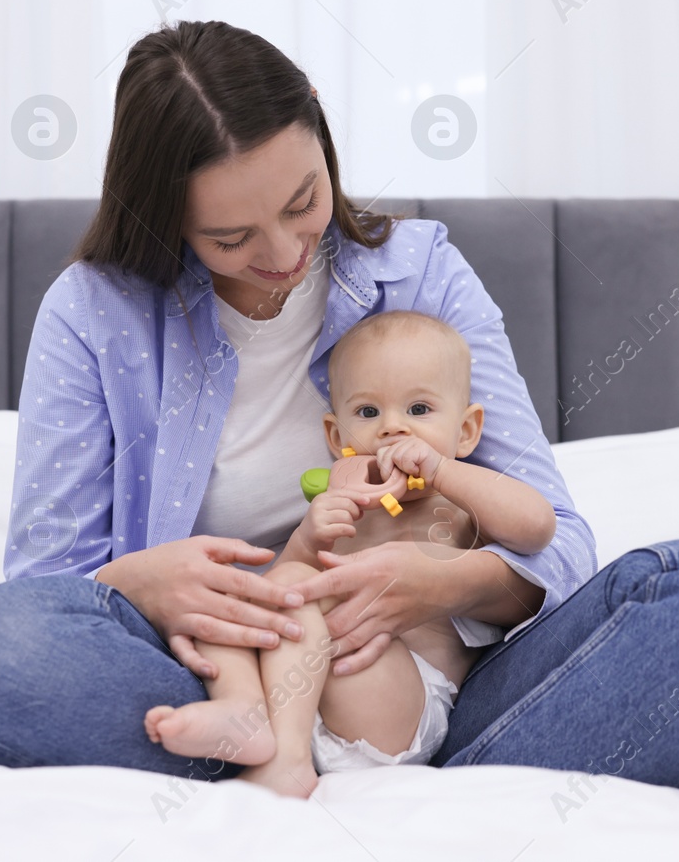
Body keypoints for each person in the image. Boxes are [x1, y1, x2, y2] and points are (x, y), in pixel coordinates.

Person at [0, 19, 679, 793]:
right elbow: (47, 582)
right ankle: (274, 742)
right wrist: (142, 582)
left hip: (455, 678)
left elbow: (559, 537)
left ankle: (407, 754)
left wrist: (438, 582)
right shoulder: (95, 312)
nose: (281, 253)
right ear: (162, 217)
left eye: (302, 201)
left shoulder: (419, 271)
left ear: (320, 120)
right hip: (211, 675)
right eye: (229, 238)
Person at [143, 309, 557, 796]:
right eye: (367, 412)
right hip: (302, 693)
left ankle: (289, 761)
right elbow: (289, 578)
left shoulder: (460, 502)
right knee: (231, 595)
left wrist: (443, 471)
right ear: (337, 438)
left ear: (466, 431)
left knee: (302, 591)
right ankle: (241, 709)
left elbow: (537, 528)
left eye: (419, 410)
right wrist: (309, 536)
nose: (392, 429)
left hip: (396, 701)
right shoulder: (344, 501)